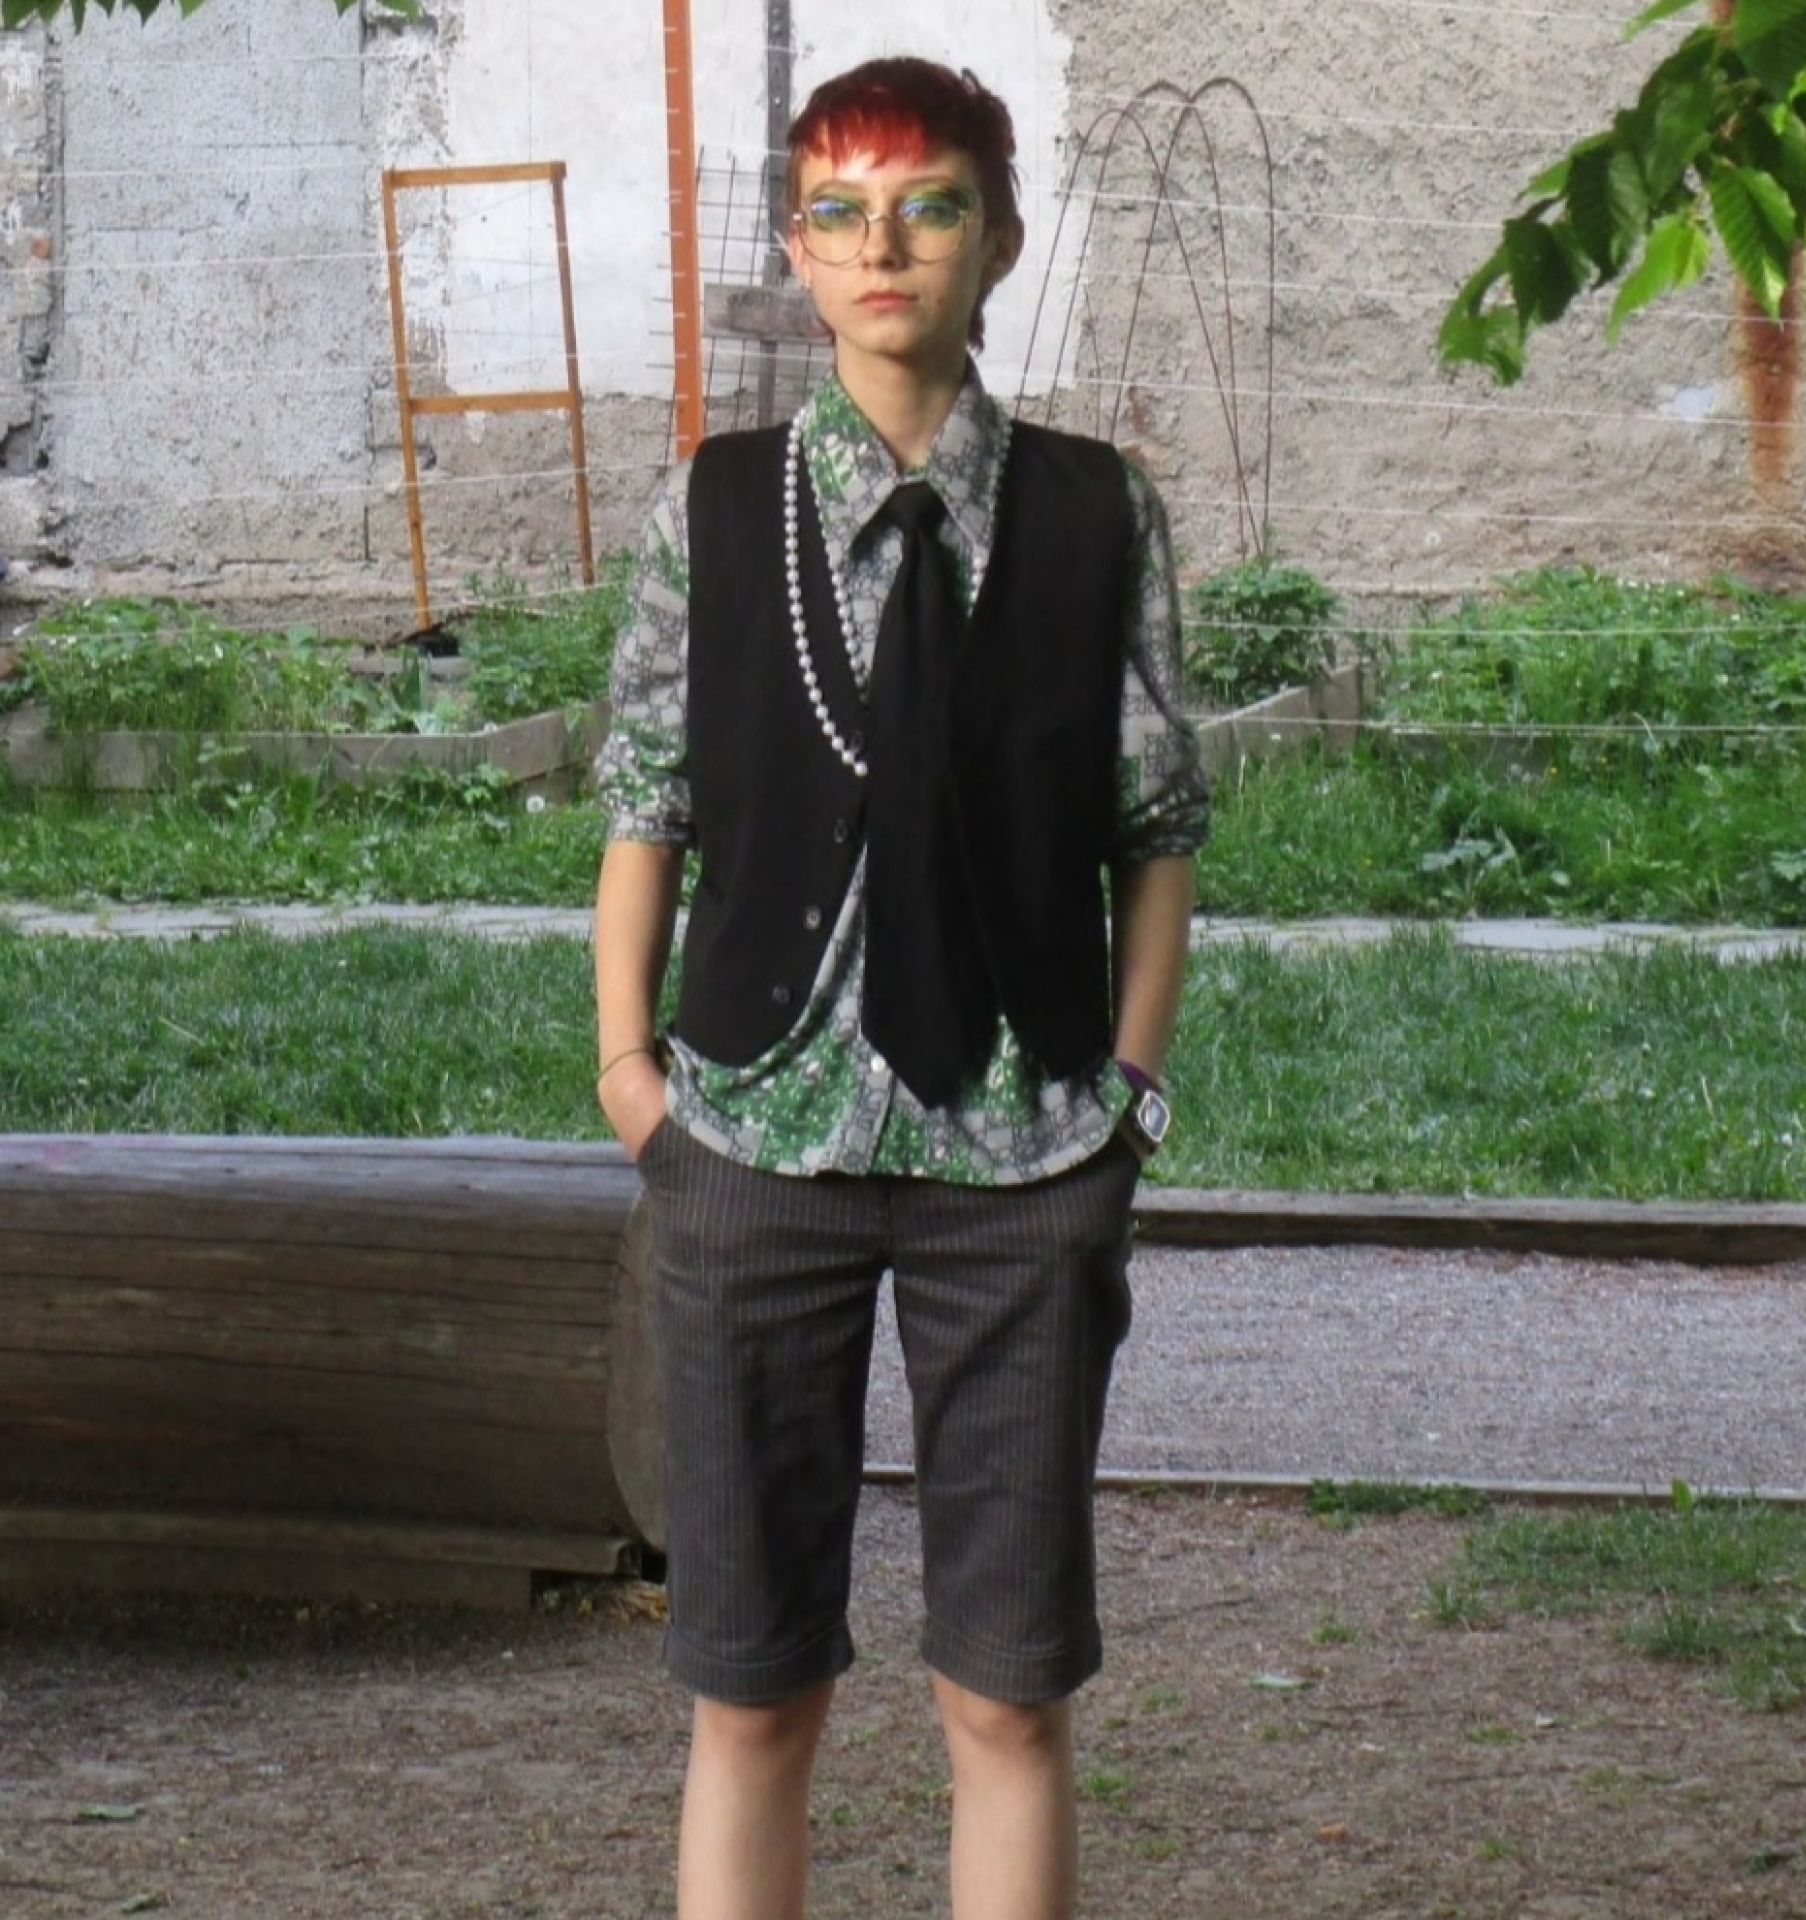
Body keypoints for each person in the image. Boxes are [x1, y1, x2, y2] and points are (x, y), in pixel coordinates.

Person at [590, 54, 1210, 1920]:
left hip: (1022, 1163)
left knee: (1006, 1697)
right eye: (841, 213)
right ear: (797, 250)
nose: (884, 248)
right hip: (751, 1146)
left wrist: (1128, 1091)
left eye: (928, 206)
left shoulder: (1098, 514)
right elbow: (647, 803)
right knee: (750, 1692)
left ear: (997, 238)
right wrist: (630, 1076)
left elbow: (1156, 828)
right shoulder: (717, 509)